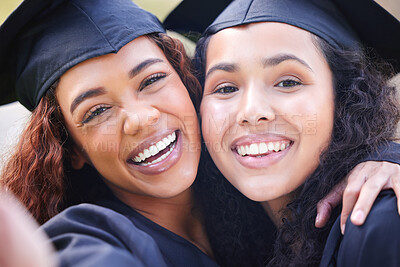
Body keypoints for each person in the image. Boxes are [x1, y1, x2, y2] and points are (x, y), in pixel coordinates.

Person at [0, 0, 399, 266]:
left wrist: (384, 157)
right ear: (70, 148)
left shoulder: (257, 204)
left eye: (152, 79)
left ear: (190, 86)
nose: (139, 119)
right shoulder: (91, 236)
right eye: (97, 110)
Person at [193, 0, 400, 265]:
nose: (251, 111)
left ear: (346, 97)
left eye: (288, 82)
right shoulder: (232, 239)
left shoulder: (379, 223)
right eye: (225, 88)